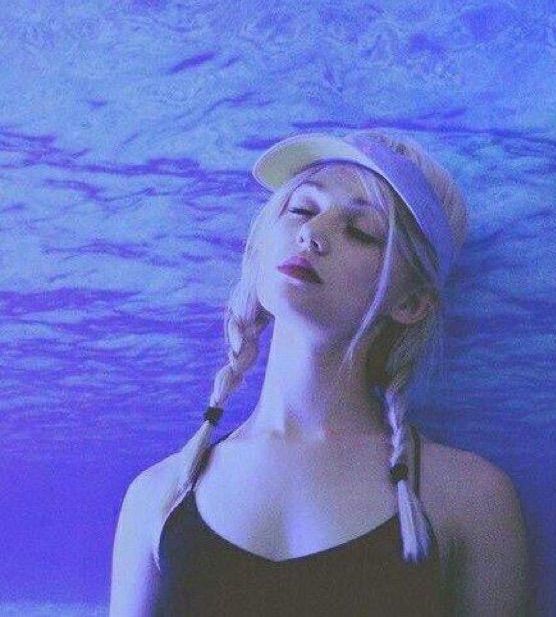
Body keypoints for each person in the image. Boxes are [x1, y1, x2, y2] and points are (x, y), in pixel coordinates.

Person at [109, 129, 530, 616]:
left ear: (412, 302)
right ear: (261, 250)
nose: (312, 233)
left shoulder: (472, 499)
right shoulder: (156, 497)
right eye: (302, 209)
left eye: (362, 231)